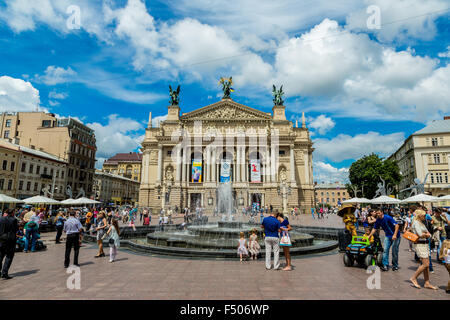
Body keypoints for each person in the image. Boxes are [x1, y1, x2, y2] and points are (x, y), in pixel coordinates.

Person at [409, 209, 438, 290]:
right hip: (420, 245)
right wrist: (426, 235)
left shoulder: (421, 223)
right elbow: (420, 234)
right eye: (424, 215)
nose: (425, 216)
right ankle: (413, 278)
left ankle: (427, 282)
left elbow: (427, 233)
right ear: (419, 215)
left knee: (427, 265)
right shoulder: (416, 223)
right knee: (425, 264)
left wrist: (426, 234)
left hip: (425, 244)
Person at [0, 209, 18, 279]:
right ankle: (4, 272)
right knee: (9, 256)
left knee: (1, 255)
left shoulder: (1, 219)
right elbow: (15, 229)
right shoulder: (14, 220)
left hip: (1, 239)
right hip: (10, 239)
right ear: (12, 213)